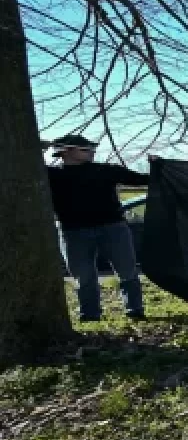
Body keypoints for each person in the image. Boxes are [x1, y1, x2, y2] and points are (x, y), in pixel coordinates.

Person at [45, 134, 151, 321]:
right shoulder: (51, 175)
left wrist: (159, 166)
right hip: (73, 232)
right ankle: (90, 315)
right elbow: (21, 166)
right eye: (85, 149)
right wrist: (40, 147)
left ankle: (135, 310)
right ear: (65, 152)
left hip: (113, 228)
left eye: (93, 149)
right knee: (83, 276)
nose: (92, 152)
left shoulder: (106, 170)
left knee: (127, 270)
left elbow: (143, 179)